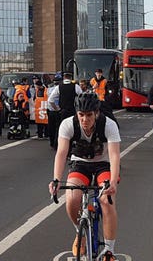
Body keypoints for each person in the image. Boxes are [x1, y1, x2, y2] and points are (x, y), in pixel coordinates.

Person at [48, 93, 120, 260]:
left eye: (89, 115)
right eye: (81, 115)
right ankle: (79, 233)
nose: (84, 119)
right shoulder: (68, 124)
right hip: (80, 163)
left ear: (96, 113)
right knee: (72, 198)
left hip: (104, 164)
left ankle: (109, 250)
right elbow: (61, 153)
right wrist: (56, 179)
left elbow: (115, 155)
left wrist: (113, 182)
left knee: (106, 201)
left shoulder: (108, 125)